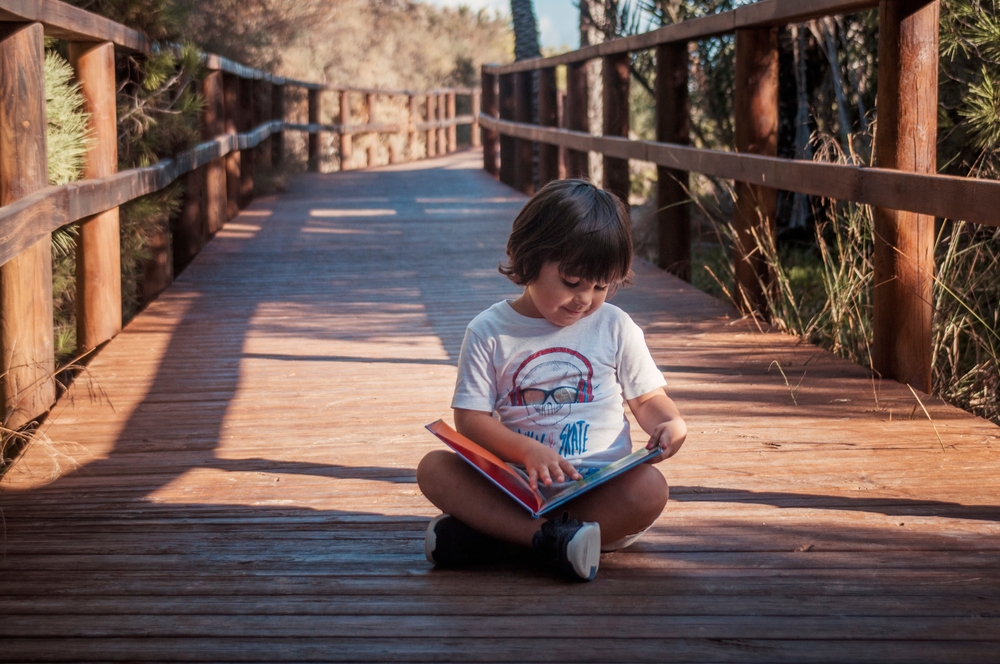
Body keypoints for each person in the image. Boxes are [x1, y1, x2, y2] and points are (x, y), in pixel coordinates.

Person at [417, 179, 687, 581]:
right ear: (530, 259)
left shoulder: (616, 327)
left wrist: (669, 422)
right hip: (519, 489)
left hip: (600, 494)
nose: (585, 299)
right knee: (433, 468)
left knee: (651, 489)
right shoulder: (489, 331)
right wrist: (525, 451)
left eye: (601, 286)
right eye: (572, 282)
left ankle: (504, 538)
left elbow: (647, 399)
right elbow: (470, 420)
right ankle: (551, 540)